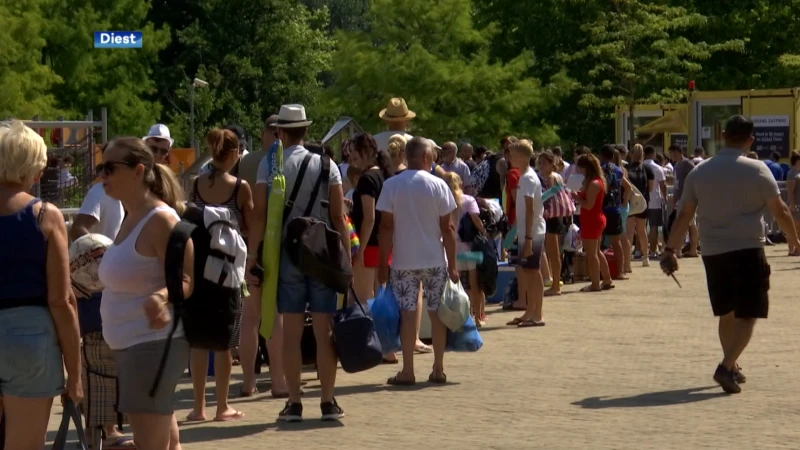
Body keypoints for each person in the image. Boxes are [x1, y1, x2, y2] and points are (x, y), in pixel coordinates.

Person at [661, 115, 800, 394]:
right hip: (747, 247)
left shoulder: (700, 172)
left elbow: (684, 214)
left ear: (723, 135)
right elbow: (780, 210)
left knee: (726, 312)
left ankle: (733, 365)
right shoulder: (757, 170)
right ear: (750, 139)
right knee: (749, 314)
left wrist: (670, 249)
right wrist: (794, 239)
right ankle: (725, 366)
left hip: (713, 251)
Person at [249, 104, 349, 421]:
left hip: (286, 254)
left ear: (280, 131)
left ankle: (294, 402)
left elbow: (260, 214)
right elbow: (337, 215)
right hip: (321, 253)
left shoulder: (270, 165)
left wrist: (254, 256)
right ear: (306, 130)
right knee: (323, 331)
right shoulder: (327, 164)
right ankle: (328, 401)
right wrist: (344, 255)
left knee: (290, 334)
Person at [97, 136, 193, 449]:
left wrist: (160, 297)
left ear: (138, 171)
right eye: (101, 167)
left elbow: (186, 279)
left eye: (110, 168)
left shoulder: (160, 220)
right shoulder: (131, 216)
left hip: (151, 345)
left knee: (150, 444)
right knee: (167, 440)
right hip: (132, 345)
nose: (102, 175)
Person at [0, 121, 82, 450]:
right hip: (30, 337)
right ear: (31, 167)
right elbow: (62, 301)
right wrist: (74, 375)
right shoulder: (44, 216)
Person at [377, 137, 458, 385]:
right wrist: (452, 264)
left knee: (407, 314)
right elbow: (449, 228)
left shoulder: (391, 185)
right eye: (432, 154)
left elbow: (386, 227)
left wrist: (383, 264)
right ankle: (438, 368)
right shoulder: (439, 185)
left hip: (403, 260)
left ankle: (408, 370)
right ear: (424, 157)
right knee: (437, 314)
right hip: (434, 259)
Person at [186, 128, 253, 422]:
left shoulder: (196, 185)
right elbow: (249, 226)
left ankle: (198, 407)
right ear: (235, 153)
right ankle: (221, 406)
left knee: (199, 341)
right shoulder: (241, 187)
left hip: (198, 268)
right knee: (225, 340)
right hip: (227, 272)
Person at [70, 144, 132, 447]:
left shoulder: (126, 197)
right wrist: (100, 257)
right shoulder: (100, 193)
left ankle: (112, 428)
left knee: (113, 360)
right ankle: (107, 431)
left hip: (117, 287)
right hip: (98, 290)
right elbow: (80, 228)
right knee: (98, 361)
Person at [239, 114, 288, 398]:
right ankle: (278, 378)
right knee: (275, 315)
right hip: (274, 243)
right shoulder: (282, 161)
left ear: (263, 133)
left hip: (247, 241)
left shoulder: (247, 162)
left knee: (250, 317)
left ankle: (248, 381)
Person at [348, 133, 394, 306]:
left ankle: (367, 334)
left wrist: (360, 251)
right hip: (383, 245)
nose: (350, 155)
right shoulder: (384, 175)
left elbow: (369, 218)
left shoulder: (367, 179)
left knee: (363, 299)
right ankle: (378, 333)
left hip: (368, 247)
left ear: (365, 151)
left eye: (353, 150)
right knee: (379, 299)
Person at [505, 140, 546, 327]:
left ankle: (537, 314)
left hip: (533, 232)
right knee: (528, 272)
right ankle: (530, 311)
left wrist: (528, 238)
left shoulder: (528, 178)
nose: (509, 159)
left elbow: (530, 210)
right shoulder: (524, 176)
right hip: (526, 231)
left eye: (512, 155)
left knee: (533, 271)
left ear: (521, 157)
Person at [442, 172, 486, 326]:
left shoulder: (443, 200)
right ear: (460, 183)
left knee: (458, 283)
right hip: (470, 247)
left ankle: (462, 316)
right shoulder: (468, 200)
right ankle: (478, 317)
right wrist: (484, 232)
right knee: (475, 282)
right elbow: (475, 219)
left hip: (452, 247)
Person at [572, 153, 614, 292]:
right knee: (596, 251)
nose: (580, 171)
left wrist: (575, 197)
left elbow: (588, 205)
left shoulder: (594, 183)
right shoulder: (596, 181)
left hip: (592, 220)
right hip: (595, 219)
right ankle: (606, 279)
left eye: (581, 168)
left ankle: (595, 283)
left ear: (586, 167)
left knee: (591, 254)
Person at [536, 151, 569, 296]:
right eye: (540, 163)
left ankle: (556, 285)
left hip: (552, 217)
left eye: (544, 163)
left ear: (551, 164)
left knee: (553, 253)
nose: (541, 166)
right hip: (557, 218)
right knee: (554, 253)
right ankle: (555, 283)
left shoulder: (550, 177)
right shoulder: (559, 176)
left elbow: (549, 198)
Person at [598, 144, 632, 280]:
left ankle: (599, 272)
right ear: (613, 157)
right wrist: (624, 202)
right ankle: (620, 271)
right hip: (615, 209)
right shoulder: (618, 170)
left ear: (600, 156)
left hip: (601, 209)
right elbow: (628, 187)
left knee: (597, 242)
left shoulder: (599, 170)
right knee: (617, 242)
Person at [625, 144, 655, 266]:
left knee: (629, 231)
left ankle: (627, 259)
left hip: (630, 201)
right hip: (642, 202)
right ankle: (645, 257)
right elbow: (651, 188)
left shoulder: (626, 168)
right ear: (643, 154)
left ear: (631, 154)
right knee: (642, 230)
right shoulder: (648, 169)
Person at [667, 145, 698, 258]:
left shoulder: (686, 163)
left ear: (678, 152)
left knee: (686, 224)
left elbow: (696, 176)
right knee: (689, 224)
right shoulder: (677, 165)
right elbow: (676, 184)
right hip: (681, 198)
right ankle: (687, 249)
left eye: (672, 153)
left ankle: (683, 249)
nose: (671, 156)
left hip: (687, 197)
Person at [643, 146, 667, 258]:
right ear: (653, 154)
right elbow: (663, 185)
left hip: (641, 201)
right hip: (655, 200)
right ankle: (652, 251)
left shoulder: (640, 166)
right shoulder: (658, 168)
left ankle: (639, 250)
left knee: (640, 226)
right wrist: (665, 197)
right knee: (653, 226)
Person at [785, 150, 800, 256]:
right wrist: (792, 204)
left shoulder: (798, 172)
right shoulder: (792, 173)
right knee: (793, 228)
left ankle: (797, 249)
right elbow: (790, 191)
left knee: (798, 229)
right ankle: (792, 249)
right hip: (795, 204)